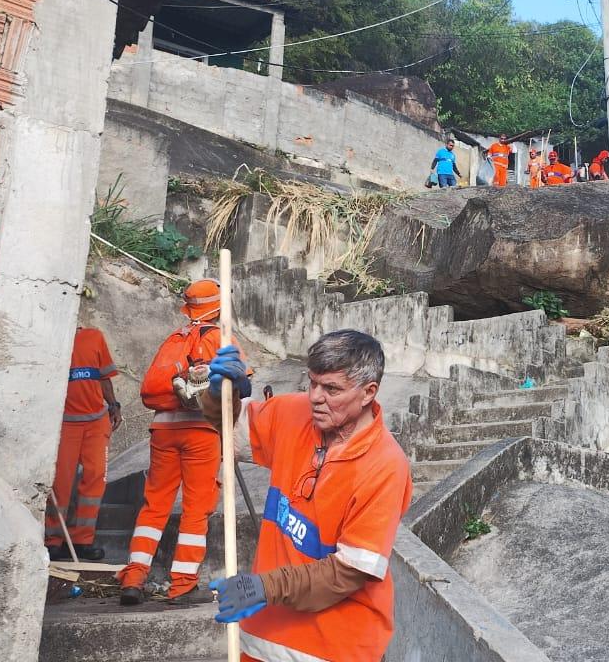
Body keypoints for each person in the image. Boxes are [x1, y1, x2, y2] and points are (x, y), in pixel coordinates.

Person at [204, 330, 412, 662]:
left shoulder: (385, 465)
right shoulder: (293, 412)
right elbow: (229, 430)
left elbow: (348, 572)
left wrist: (265, 587)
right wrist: (219, 395)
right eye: (312, 382)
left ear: (368, 392)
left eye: (332, 389)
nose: (316, 396)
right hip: (261, 639)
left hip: (334, 648)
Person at [117, 279, 250, 606]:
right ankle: (182, 583)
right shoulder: (219, 338)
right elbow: (239, 386)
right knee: (196, 509)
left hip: (163, 431)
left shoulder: (175, 339)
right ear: (220, 308)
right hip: (200, 433)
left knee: (154, 505)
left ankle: (134, 577)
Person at [46, 326, 122, 561]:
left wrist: (113, 405)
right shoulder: (53, 336)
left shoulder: (95, 336)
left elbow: (104, 377)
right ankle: (52, 541)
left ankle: (82, 541)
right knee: (60, 484)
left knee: (96, 478)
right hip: (65, 423)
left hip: (96, 421)